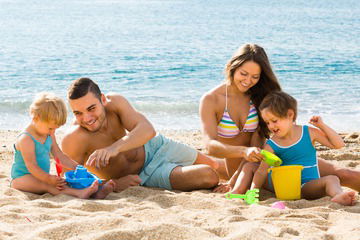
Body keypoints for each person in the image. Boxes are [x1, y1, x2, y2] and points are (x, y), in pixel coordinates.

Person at [200, 43, 360, 193]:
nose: (248, 81)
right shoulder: (211, 99)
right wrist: (243, 154)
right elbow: (210, 146)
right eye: (243, 74)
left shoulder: (260, 96)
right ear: (231, 67)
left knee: (345, 174)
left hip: (280, 155)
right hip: (251, 170)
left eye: (255, 77)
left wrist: (238, 173)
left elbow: (263, 138)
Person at [61, 77, 219, 193]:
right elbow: (69, 183)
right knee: (209, 175)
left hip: (156, 146)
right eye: (78, 113)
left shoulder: (115, 103)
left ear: (102, 99)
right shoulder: (74, 139)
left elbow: (147, 130)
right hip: (146, 175)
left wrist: (113, 149)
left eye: (91, 108)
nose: (87, 118)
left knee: (217, 165)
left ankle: (240, 179)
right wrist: (113, 184)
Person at [249, 91, 356, 206]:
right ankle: (338, 195)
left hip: (309, 185)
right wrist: (253, 192)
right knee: (332, 178)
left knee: (332, 178)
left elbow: (339, 144)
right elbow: (262, 171)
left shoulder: (309, 132)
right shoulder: (271, 145)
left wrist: (322, 126)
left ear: (290, 115)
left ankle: (338, 195)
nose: (271, 126)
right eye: (267, 123)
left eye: (274, 121)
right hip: (289, 189)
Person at [11, 92, 99, 199]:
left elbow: (59, 155)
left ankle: (96, 193)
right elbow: (32, 166)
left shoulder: (48, 134)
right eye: (51, 128)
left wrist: (77, 167)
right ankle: (79, 194)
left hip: (41, 177)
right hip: (22, 179)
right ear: (36, 118)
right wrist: (48, 179)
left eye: (55, 128)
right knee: (47, 185)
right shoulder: (26, 139)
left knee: (63, 183)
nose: (53, 131)